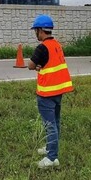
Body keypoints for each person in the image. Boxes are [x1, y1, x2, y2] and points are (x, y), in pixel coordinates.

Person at [28, 14, 74, 169]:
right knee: (55, 122)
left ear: (40, 30)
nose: (36, 33)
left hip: (46, 93)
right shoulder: (57, 45)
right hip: (58, 92)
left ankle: (52, 158)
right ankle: (50, 149)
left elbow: (30, 65)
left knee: (50, 125)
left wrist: (37, 65)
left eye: (36, 30)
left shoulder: (42, 47)